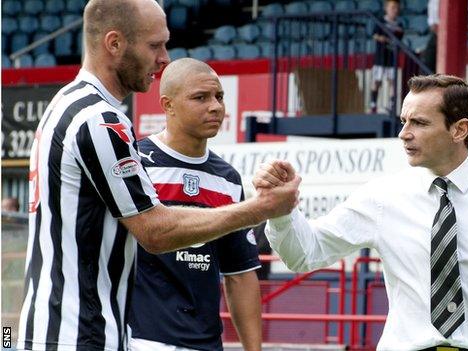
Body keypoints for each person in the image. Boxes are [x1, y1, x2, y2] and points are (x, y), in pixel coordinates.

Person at [16, 0, 299, 349]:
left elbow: (238, 274)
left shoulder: (65, 105)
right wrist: (261, 208)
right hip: (81, 335)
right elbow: (155, 231)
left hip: (60, 329)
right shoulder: (100, 119)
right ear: (114, 43)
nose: (164, 58)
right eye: (154, 45)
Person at [254, 74, 468, 350]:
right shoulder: (382, 197)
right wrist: (282, 211)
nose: (403, 134)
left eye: (418, 122)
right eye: (404, 121)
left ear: (459, 130)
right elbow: (305, 253)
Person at [129, 58, 262, 351]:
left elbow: (240, 275)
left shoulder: (227, 179)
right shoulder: (134, 162)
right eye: (200, 98)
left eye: (219, 97)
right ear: (168, 105)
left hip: (205, 344)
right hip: (138, 340)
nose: (215, 106)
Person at [422, 0, 468, 73]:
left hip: (458, 33)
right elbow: (432, 8)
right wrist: (432, 24)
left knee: (452, 61)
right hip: (439, 33)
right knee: (429, 59)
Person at [370, 0, 404, 114]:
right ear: (386, 8)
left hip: (391, 58)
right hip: (380, 57)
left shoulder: (399, 24)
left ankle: (391, 106)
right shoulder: (381, 21)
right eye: (392, 7)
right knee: (376, 81)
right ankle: (373, 104)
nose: (394, 10)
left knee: (392, 82)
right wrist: (383, 39)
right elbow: (374, 35)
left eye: (396, 8)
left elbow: (400, 37)